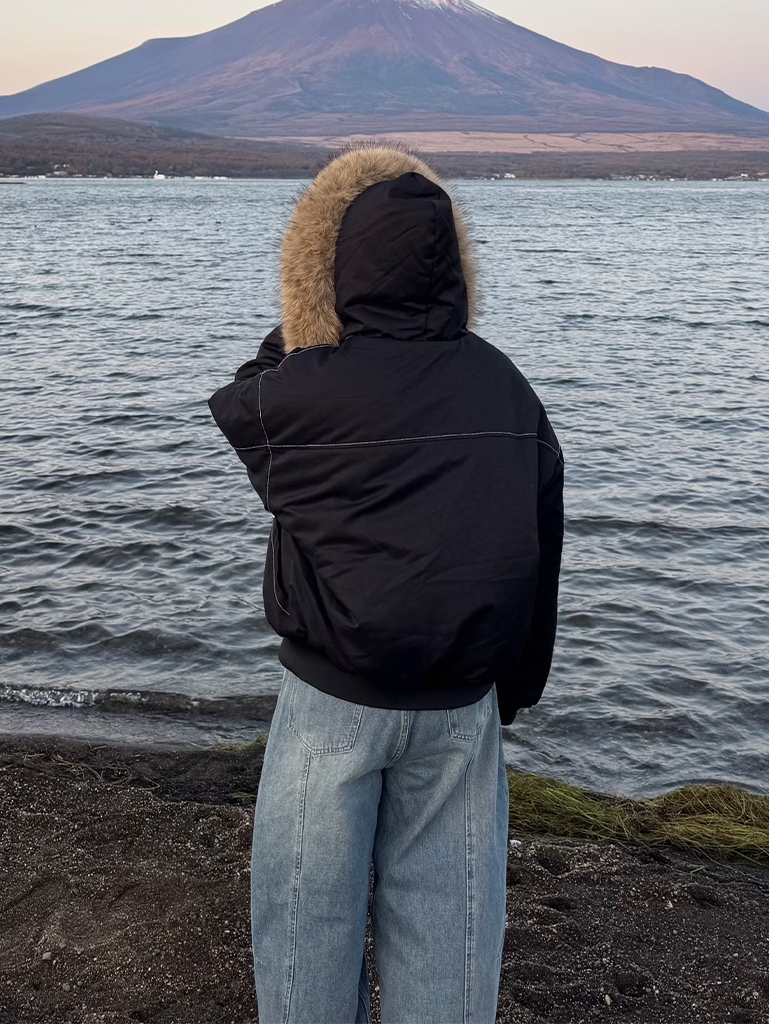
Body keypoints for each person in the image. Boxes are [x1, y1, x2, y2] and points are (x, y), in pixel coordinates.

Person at [208, 145, 564, 1024]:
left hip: (333, 696)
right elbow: (539, 549)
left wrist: (305, 319)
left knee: (307, 925)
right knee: (450, 929)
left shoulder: (304, 391)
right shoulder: (505, 385)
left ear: (329, 266)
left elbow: (242, 399)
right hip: (462, 704)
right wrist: (513, 690)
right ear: (456, 269)